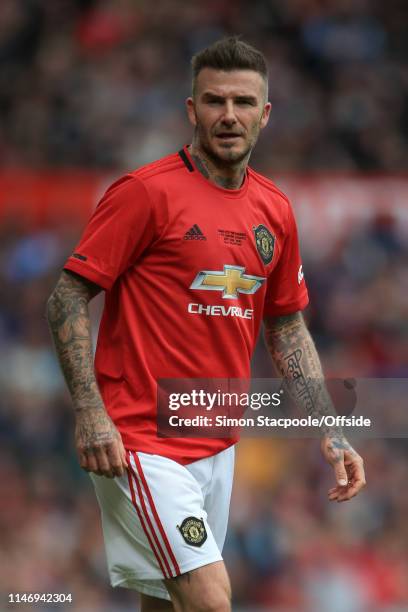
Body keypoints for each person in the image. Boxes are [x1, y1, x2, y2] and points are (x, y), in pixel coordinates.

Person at [47, 37, 366, 612]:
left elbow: (288, 328)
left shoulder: (275, 210)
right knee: (210, 601)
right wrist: (92, 413)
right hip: (140, 440)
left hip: (217, 442)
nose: (229, 115)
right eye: (214, 101)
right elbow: (66, 298)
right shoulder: (145, 193)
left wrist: (332, 430)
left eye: (244, 102)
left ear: (264, 115)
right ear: (191, 110)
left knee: (167, 603)